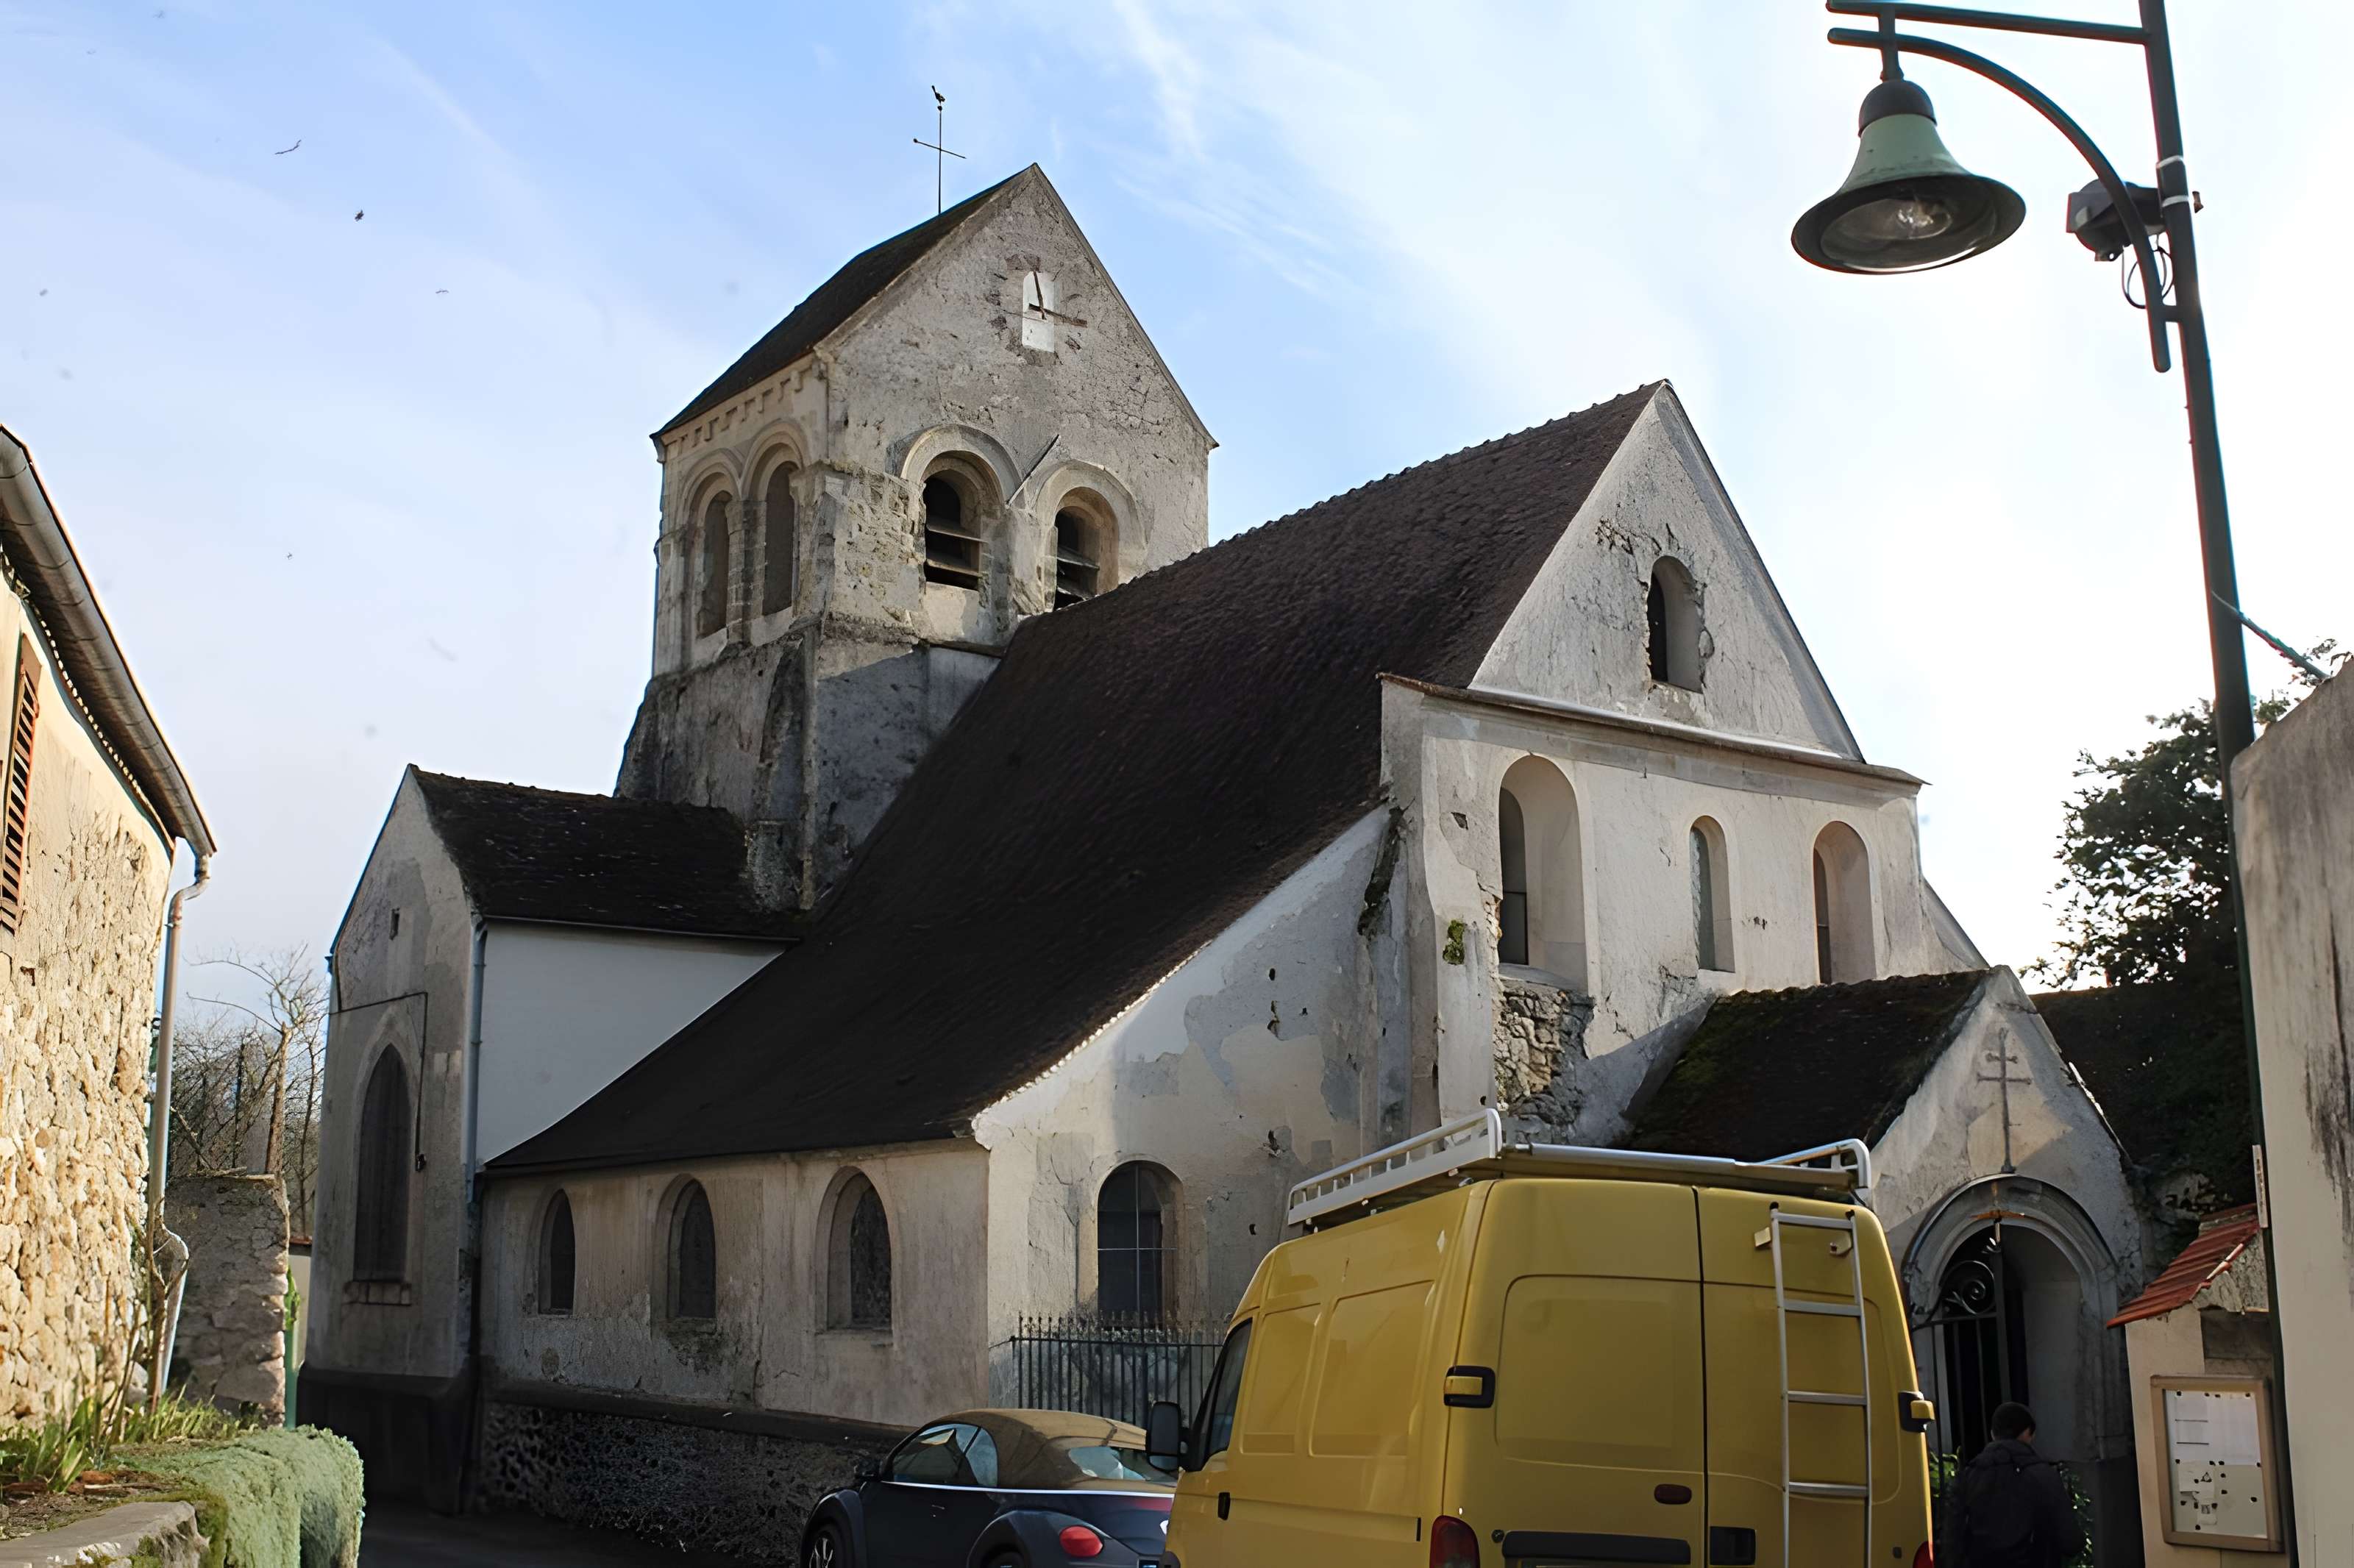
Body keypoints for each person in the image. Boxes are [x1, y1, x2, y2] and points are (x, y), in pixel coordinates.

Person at [1945, 1403, 2084, 1567]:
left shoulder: (1968, 1476)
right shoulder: (2043, 1475)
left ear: (1993, 1434)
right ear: (2027, 1432)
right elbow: (2071, 1542)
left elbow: (1951, 1540)